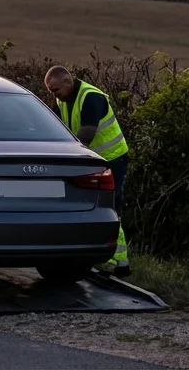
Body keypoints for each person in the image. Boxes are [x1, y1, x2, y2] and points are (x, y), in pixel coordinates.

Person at [44, 65, 130, 276]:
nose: (54, 95)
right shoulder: (62, 100)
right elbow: (54, 128)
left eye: (55, 90)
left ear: (67, 81)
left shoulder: (91, 97)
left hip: (111, 159)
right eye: (50, 92)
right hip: (89, 161)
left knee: (110, 207)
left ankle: (120, 263)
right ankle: (102, 257)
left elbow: (86, 135)